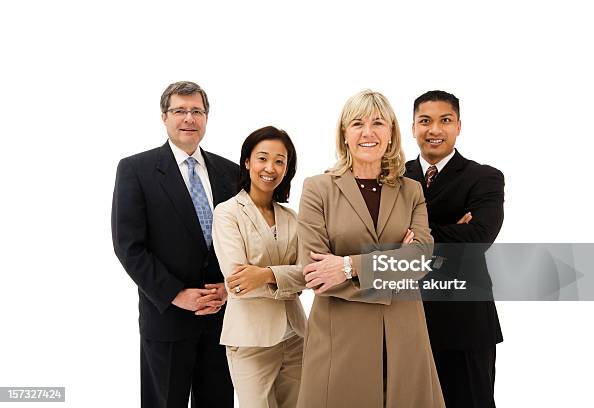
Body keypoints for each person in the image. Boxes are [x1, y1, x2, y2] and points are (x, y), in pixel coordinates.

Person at [296, 90, 445, 408]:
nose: (368, 132)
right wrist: (395, 265)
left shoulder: (411, 191)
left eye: (378, 123)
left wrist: (348, 266)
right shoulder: (317, 189)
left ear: (391, 133)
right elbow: (315, 274)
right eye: (357, 123)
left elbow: (419, 260)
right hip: (341, 341)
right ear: (344, 134)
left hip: (404, 336)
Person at [111, 81, 237, 407]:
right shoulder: (136, 170)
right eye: (179, 110)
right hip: (167, 320)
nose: (189, 118)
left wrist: (227, 287)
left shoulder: (231, 173)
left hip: (223, 319)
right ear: (164, 117)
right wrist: (176, 295)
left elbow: (244, 241)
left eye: (197, 111)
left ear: (207, 118)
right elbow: (129, 246)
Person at [405, 90, 504, 408]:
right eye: (425, 121)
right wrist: (452, 231)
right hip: (406, 318)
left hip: (465, 323)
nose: (434, 130)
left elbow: (478, 236)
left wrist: (412, 237)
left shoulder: (483, 177)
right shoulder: (394, 176)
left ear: (458, 125)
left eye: (444, 120)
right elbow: (376, 238)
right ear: (413, 127)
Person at [212, 126, 307, 408]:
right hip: (251, 340)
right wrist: (287, 280)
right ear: (247, 162)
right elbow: (238, 283)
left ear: (288, 169)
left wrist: (265, 274)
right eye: (262, 158)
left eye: (280, 161)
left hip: (296, 338)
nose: (271, 167)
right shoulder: (227, 212)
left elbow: (308, 275)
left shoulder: (293, 217)